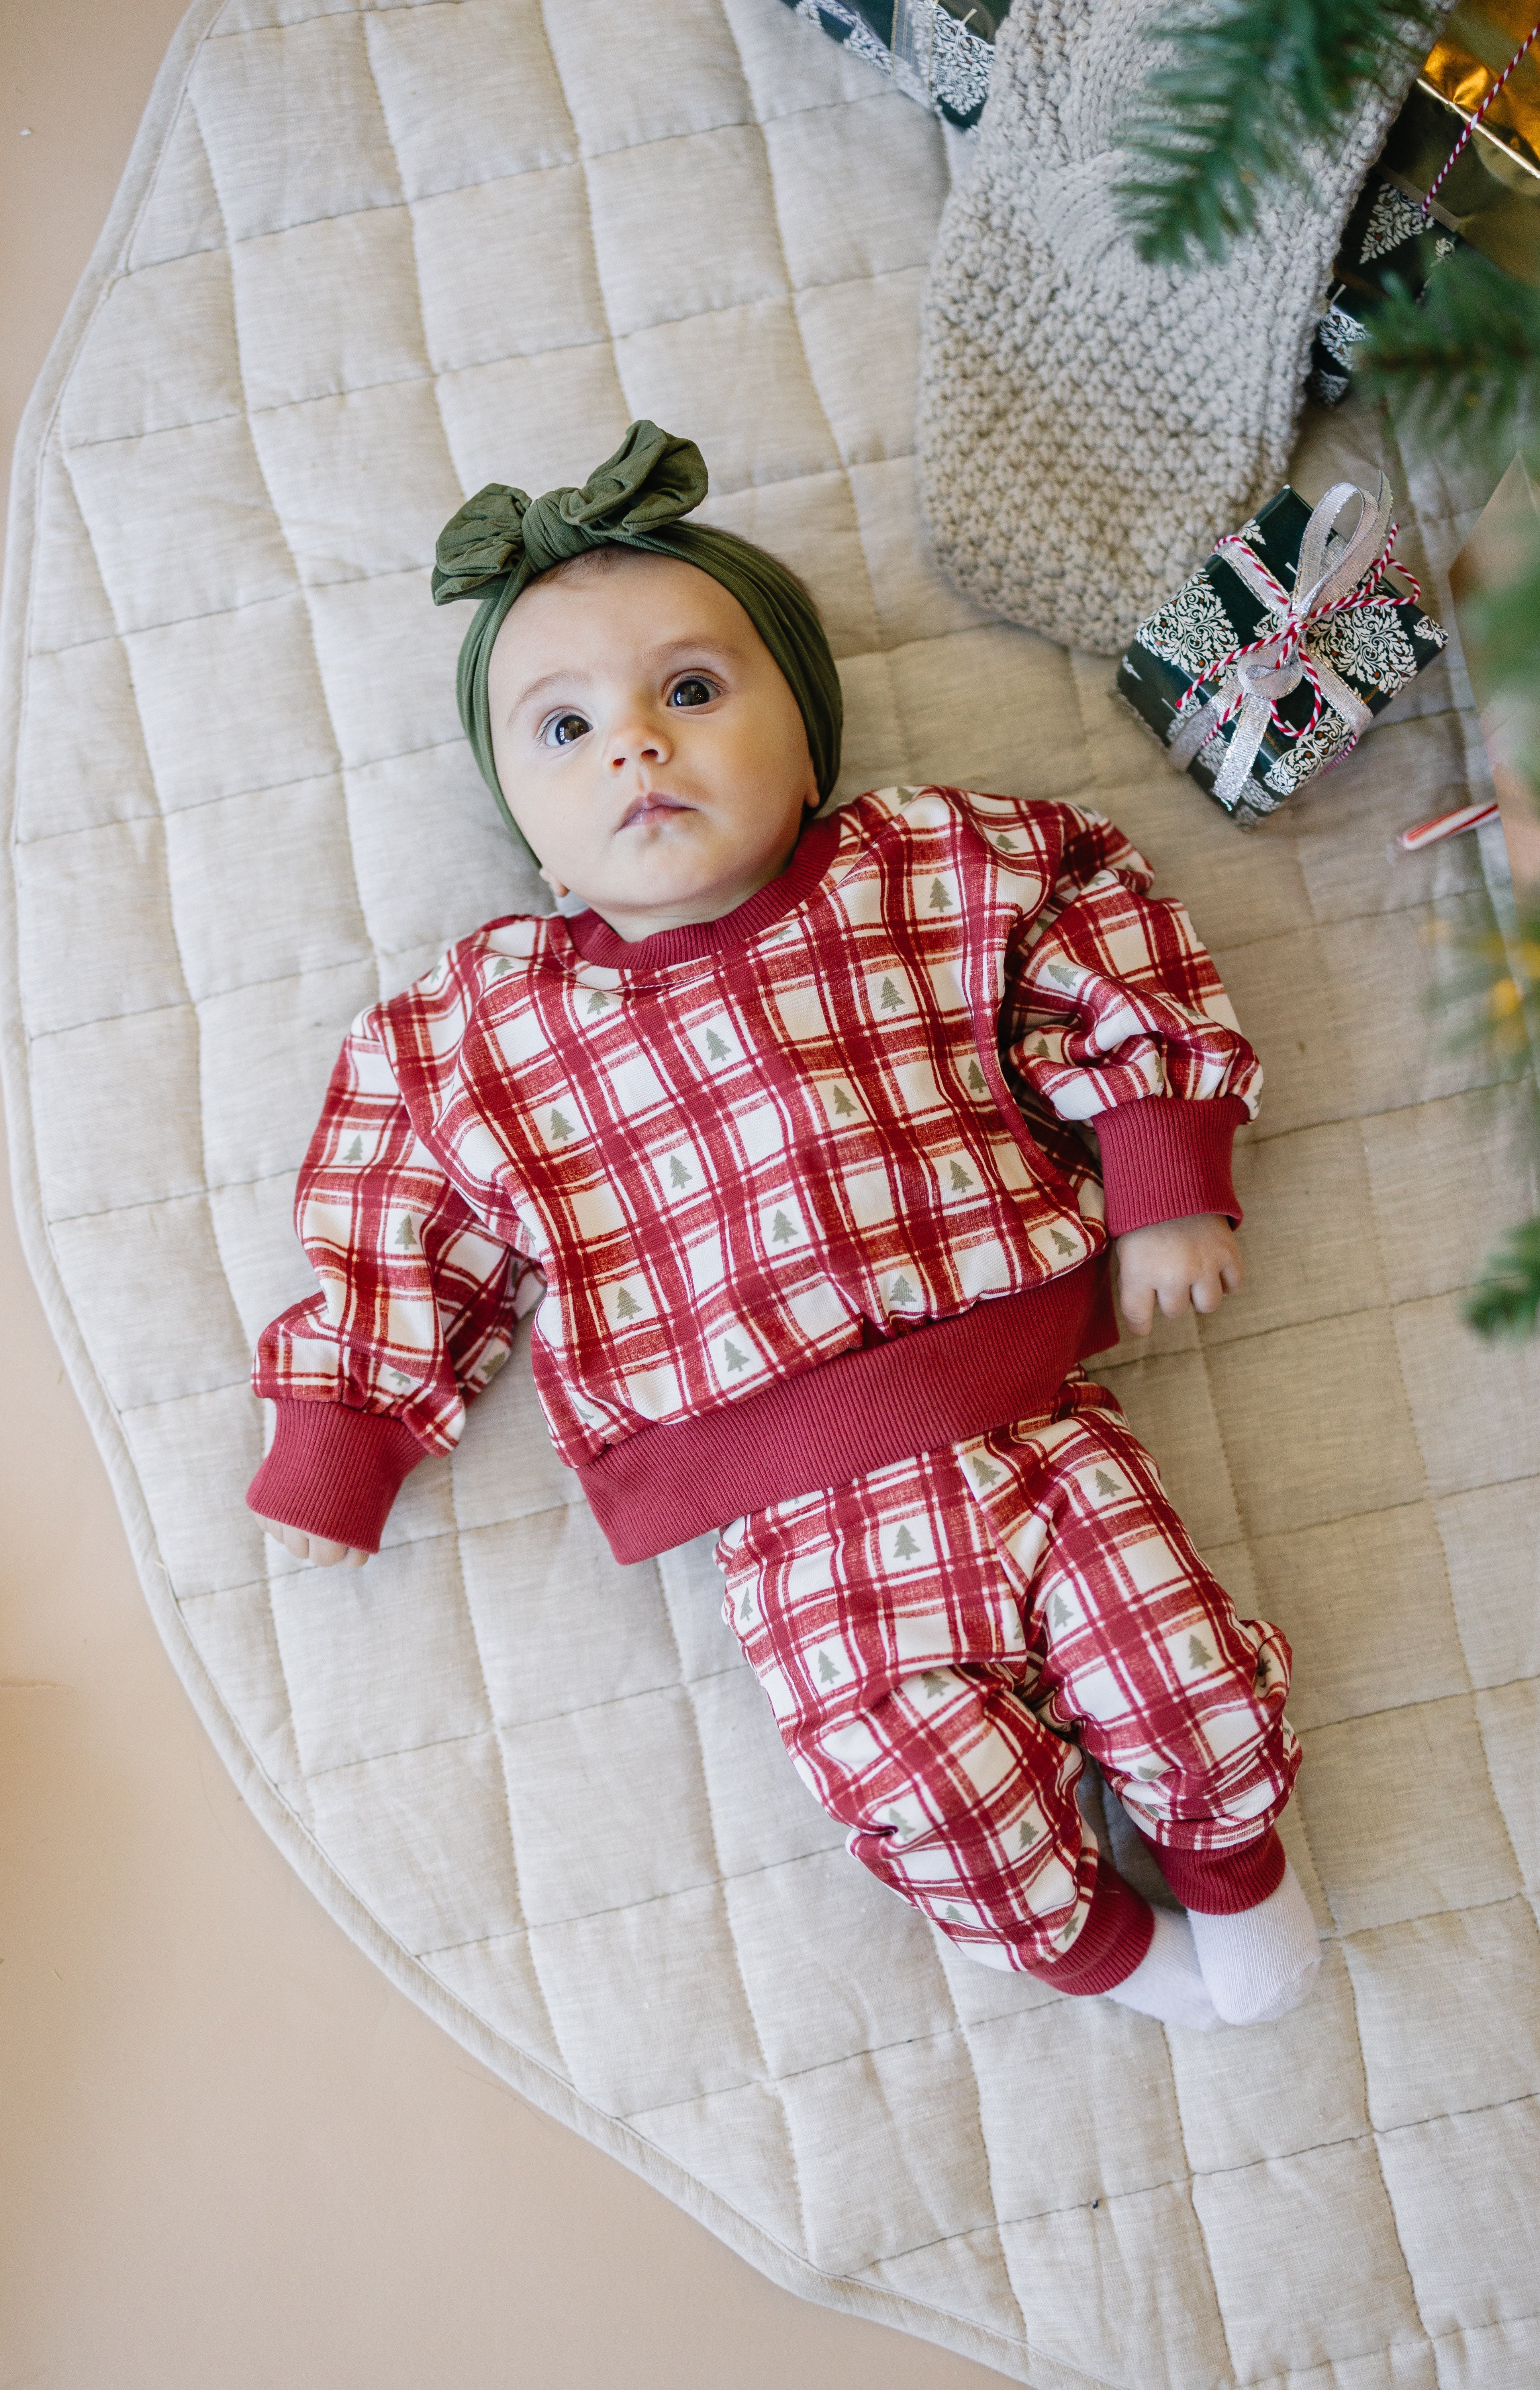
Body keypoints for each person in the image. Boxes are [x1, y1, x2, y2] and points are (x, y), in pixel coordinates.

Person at [246, 423, 1319, 2032]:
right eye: (565, 726)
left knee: (1189, 1684)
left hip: (1031, 1425)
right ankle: (1097, 1948)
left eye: (691, 693)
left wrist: (1163, 1169)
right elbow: (399, 1210)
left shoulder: (926, 870)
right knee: (927, 1792)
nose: (636, 749)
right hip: (787, 1526)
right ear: (527, 828)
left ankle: (1241, 1872)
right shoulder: (481, 1029)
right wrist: (345, 1434)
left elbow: (1098, 916)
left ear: (810, 742)